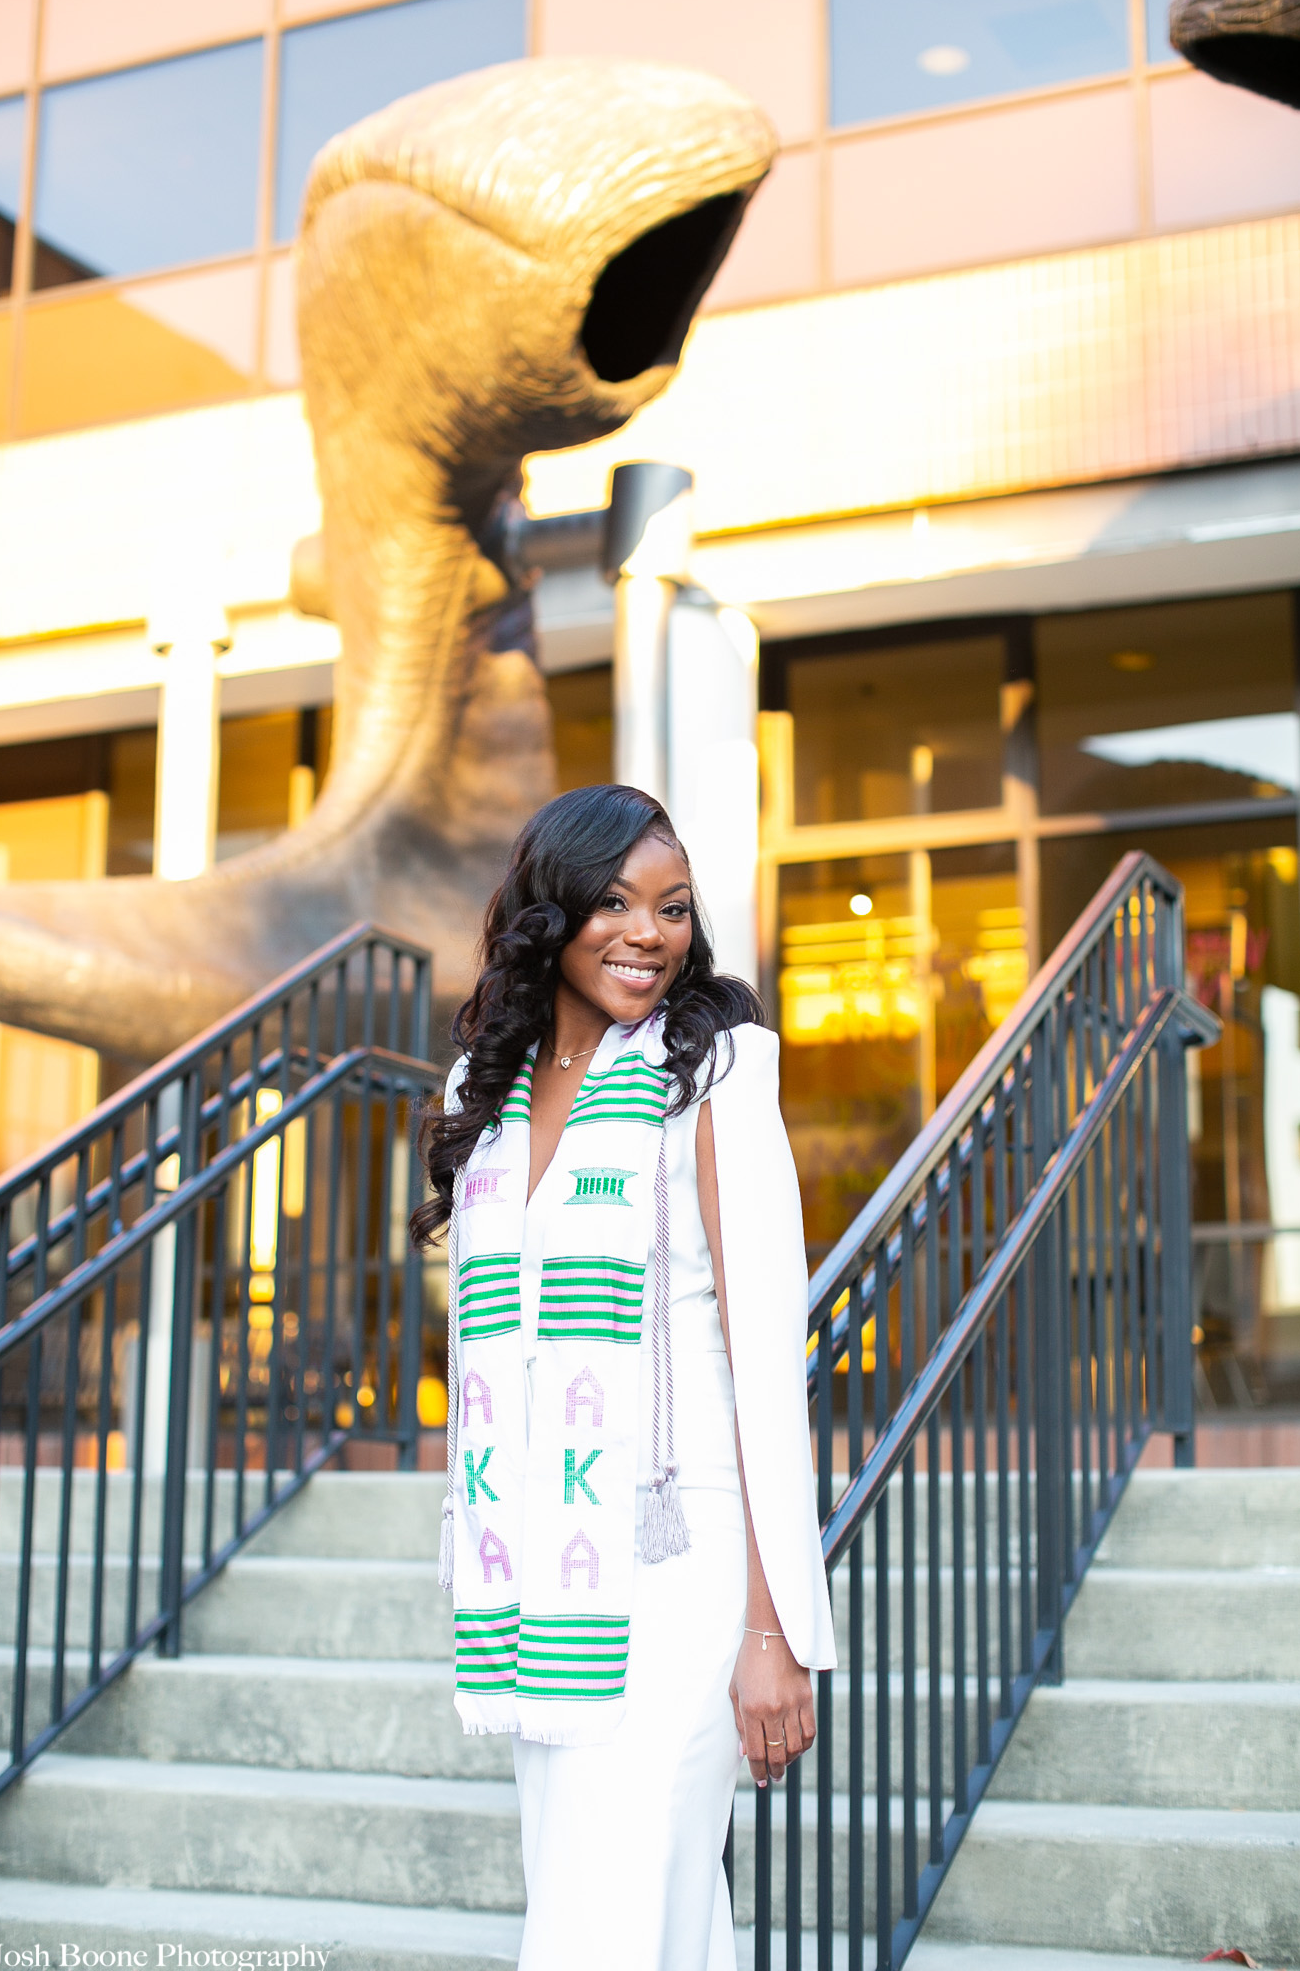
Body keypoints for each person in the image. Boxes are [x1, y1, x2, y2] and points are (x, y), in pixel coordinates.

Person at [412, 784, 835, 1971]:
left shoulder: (713, 1078)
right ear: (551, 913)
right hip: (537, 1580)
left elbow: (764, 1362)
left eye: (675, 908)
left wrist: (774, 1627)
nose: (650, 932)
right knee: (643, 1912)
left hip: (681, 1562)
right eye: (615, 901)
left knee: (601, 1923)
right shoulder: (477, 1099)